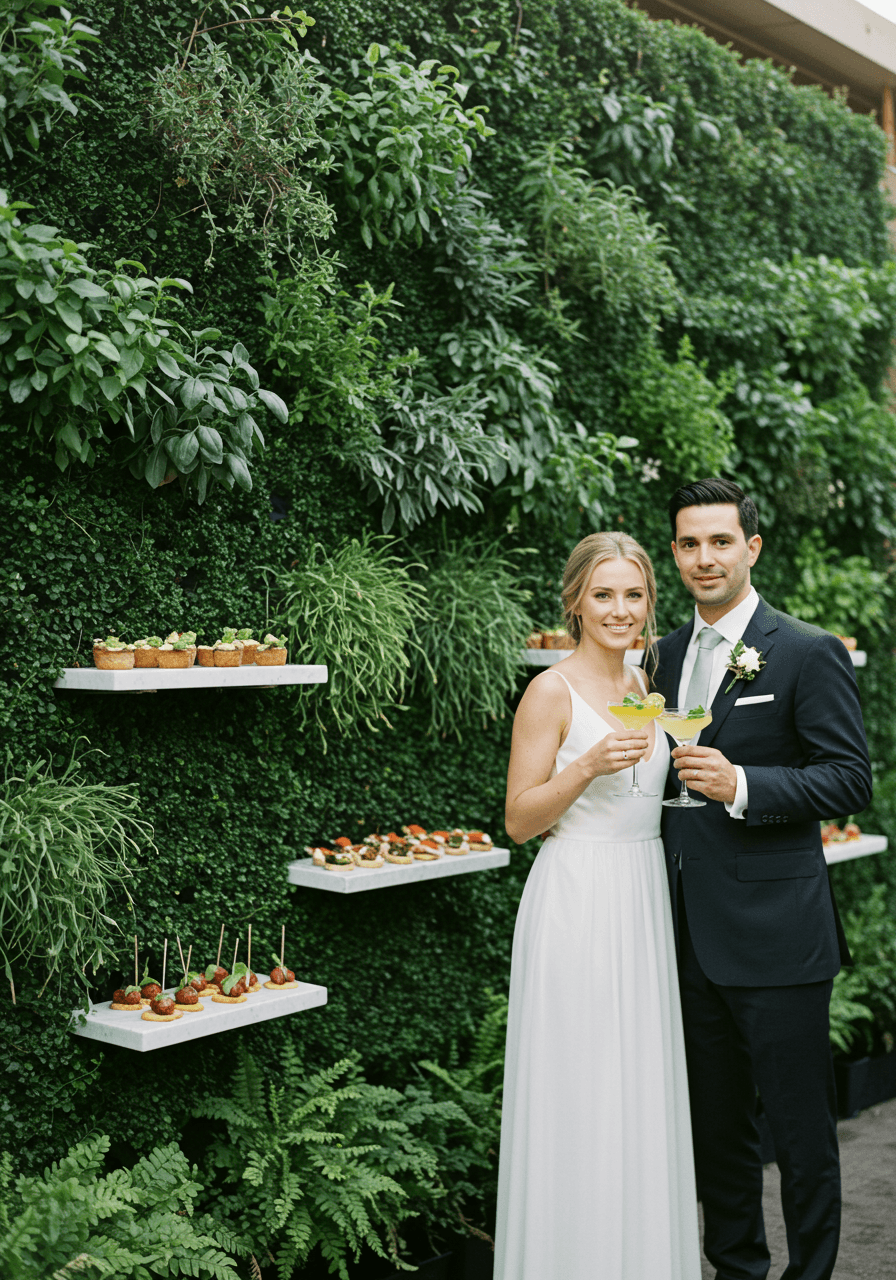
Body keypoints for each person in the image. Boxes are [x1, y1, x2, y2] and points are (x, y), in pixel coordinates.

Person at [654, 477, 872, 1280]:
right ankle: (737, 1269)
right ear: (674, 554)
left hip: (780, 941)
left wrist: (743, 785)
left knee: (801, 1131)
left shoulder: (808, 651)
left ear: (752, 547)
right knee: (718, 1133)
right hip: (686, 937)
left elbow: (849, 779)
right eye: (688, 543)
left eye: (719, 541)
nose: (703, 558)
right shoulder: (662, 655)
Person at [494, 531, 701, 1280]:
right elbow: (519, 820)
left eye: (635, 595)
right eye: (605, 594)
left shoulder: (652, 684)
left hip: (642, 902)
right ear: (575, 600)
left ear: (650, 603)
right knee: (577, 1089)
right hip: (577, 903)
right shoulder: (550, 691)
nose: (621, 610)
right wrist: (585, 765)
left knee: (637, 1092)